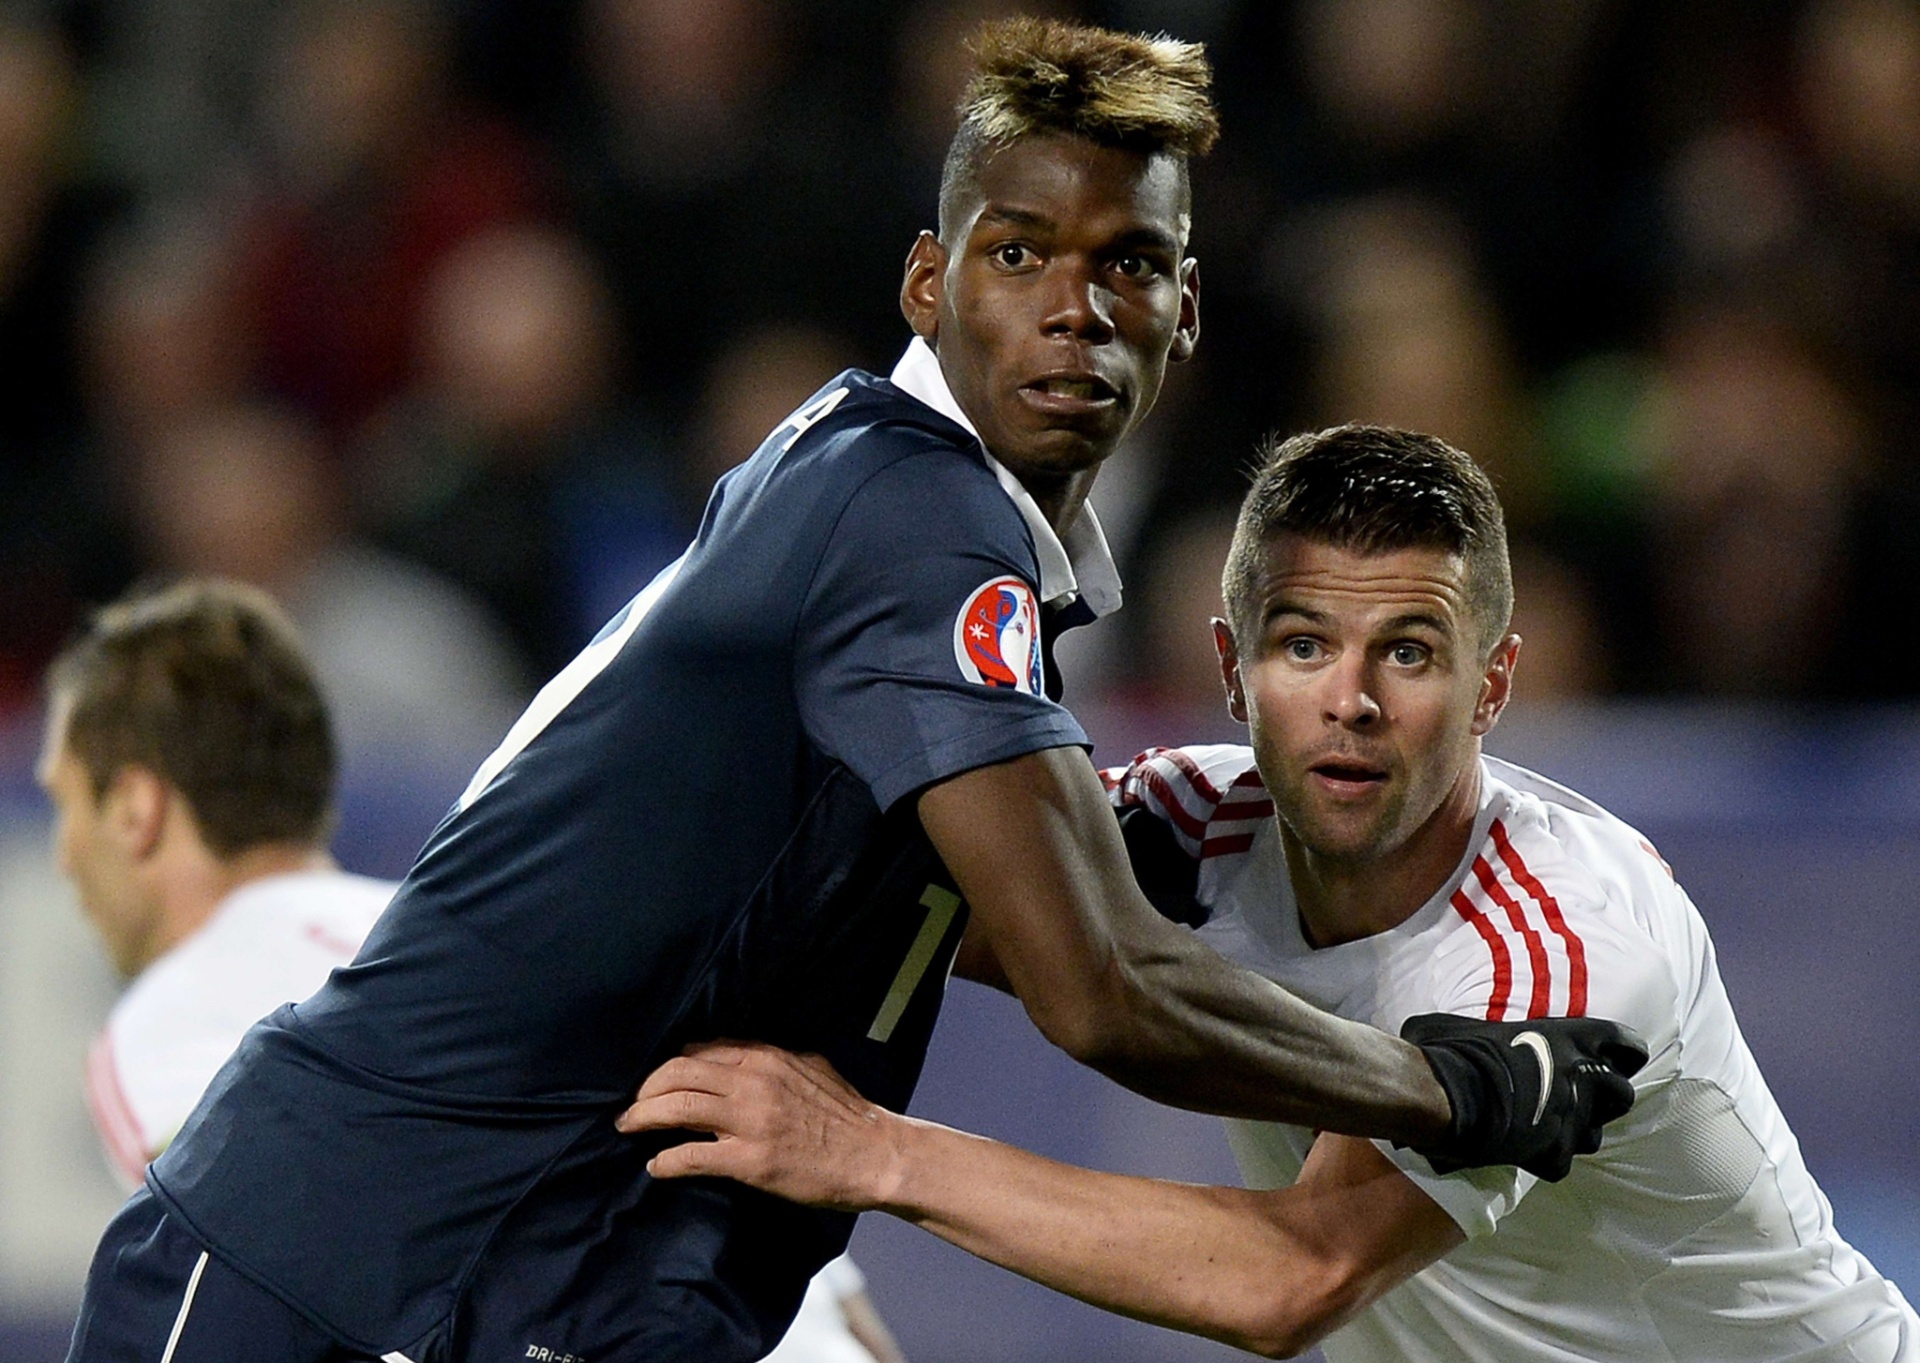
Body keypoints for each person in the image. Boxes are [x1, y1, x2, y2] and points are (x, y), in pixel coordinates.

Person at [68, 23, 1641, 1363]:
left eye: (1130, 264)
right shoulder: (909, 517)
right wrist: (1444, 1083)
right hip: (343, 1264)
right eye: (1020, 253)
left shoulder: (906, 510)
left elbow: (990, 929)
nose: (1075, 307)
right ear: (926, 282)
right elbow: (1099, 983)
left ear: (1188, 310)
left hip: (521, 1275)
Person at [626, 424, 1918, 1361]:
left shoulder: (1563, 948)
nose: (1350, 700)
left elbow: (1290, 1275)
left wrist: (868, 1151)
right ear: (1232, 673)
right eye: (1306, 643)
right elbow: (903, 902)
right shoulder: (1197, 821)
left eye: (1407, 650)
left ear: (1494, 684)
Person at [43, 578, 905, 1363]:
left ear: (135, 809)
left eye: (65, 801)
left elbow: (259, 1272)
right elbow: (820, 1298)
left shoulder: (166, 1021)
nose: (62, 854)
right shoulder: (487, 940)